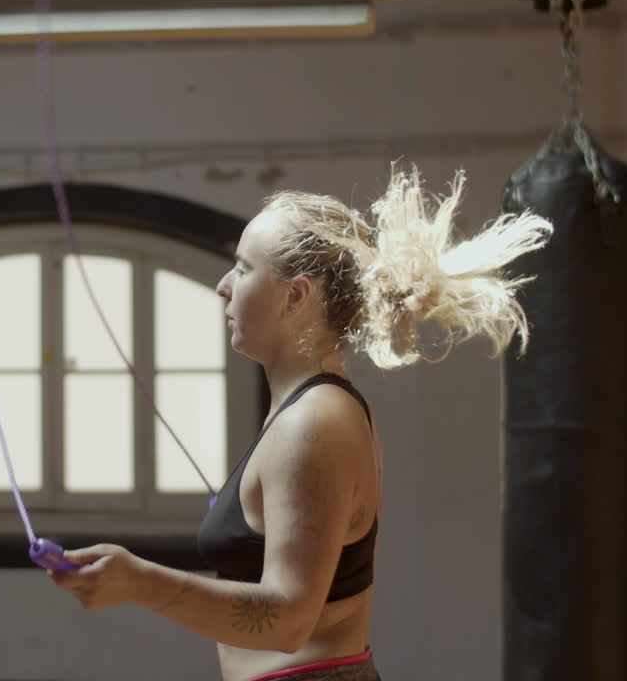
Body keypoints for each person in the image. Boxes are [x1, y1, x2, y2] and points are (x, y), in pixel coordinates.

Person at [48, 166, 553, 681]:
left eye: (243, 269)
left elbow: (289, 619)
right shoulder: (309, 410)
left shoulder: (313, 423)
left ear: (295, 296)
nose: (223, 287)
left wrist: (140, 583)